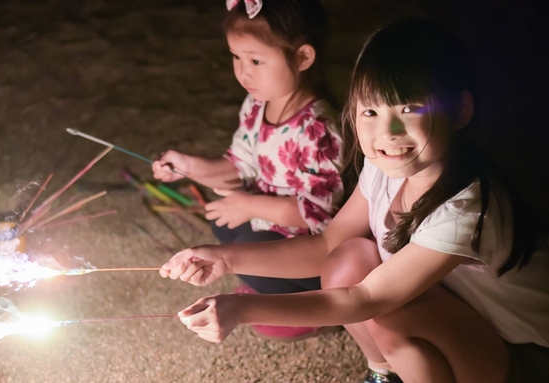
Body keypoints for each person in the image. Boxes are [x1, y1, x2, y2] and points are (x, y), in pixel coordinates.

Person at [159, 19, 549, 383]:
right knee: (348, 259)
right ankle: (382, 374)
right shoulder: (385, 168)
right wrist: (225, 258)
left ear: (461, 110)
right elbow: (327, 245)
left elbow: (365, 298)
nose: (388, 133)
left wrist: (241, 309)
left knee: (388, 308)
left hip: (520, 350)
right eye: (371, 111)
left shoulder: (464, 207)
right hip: (461, 318)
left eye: (411, 109)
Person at [152, 0, 345, 341]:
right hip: (271, 225)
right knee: (222, 218)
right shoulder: (258, 105)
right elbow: (237, 167)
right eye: (236, 57)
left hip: (313, 251)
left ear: (302, 58)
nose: (243, 72)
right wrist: (188, 167)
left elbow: (317, 211)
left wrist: (249, 205)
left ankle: (313, 310)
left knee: (245, 238)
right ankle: (273, 290)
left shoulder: (318, 128)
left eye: (256, 60)